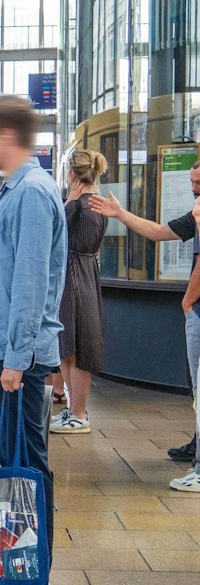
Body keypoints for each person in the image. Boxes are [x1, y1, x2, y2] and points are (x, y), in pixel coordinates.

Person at [0, 95, 65, 585]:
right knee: (11, 464)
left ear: (8, 135)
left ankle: (31, 581)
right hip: (2, 347)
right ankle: (10, 566)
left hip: (14, 353)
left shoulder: (31, 194)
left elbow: (30, 283)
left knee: (26, 466)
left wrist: (16, 359)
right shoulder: (14, 191)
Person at [88, 160, 200, 476]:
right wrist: (120, 214)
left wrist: (188, 301)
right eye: (192, 182)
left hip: (197, 307)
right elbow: (158, 232)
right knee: (195, 382)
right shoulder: (194, 216)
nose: (194, 189)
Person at [53, 150, 109, 435]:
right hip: (83, 273)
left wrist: (69, 202)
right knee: (69, 346)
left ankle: (78, 413)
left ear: (72, 174)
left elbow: (53, 232)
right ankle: (75, 409)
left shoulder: (79, 206)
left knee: (75, 346)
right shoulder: (97, 203)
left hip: (73, 275)